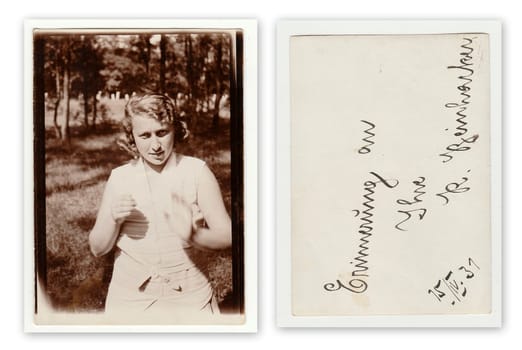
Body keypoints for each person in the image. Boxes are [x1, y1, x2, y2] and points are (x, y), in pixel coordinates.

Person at [88, 93, 232, 322]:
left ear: (175, 129)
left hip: (190, 297)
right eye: (144, 135)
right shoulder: (120, 177)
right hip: (130, 300)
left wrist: (194, 235)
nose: (155, 145)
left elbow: (227, 236)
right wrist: (112, 219)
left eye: (162, 133)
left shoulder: (197, 172)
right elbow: (97, 248)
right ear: (132, 138)